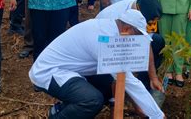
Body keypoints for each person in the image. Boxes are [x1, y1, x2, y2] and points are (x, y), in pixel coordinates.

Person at [29, 9, 165, 118]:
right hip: (50, 71)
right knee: (92, 100)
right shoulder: (103, 38)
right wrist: (157, 115)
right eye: (137, 36)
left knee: (106, 86)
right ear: (128, 29)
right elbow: (129, 81)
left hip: (72, 69)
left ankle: (67, 108)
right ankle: (58, 115)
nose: (136, 40)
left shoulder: (111, 28)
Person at [96, 0, 164, 92]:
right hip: (101, 48)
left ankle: (144, 86)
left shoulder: (143, 10)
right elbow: (105, 49)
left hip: (124, 41)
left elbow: (146, 44)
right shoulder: (112, 17)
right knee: (106, 91)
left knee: (157, 41)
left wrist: (153, 78)